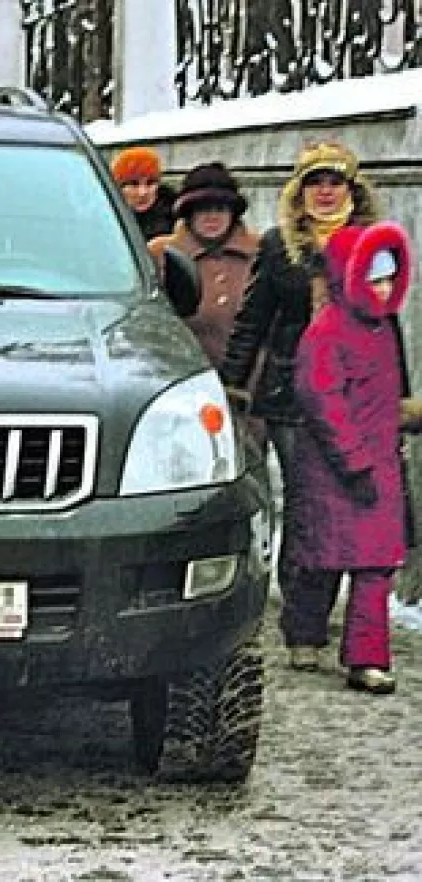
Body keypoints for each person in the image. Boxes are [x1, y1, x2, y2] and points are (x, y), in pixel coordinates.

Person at [220, 140, 382, 672]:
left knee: (357, 501)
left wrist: (397, 398)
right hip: (294, 395)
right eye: (316, 182)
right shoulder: (280, 247)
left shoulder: (372, 246)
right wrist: (232, 386)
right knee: (309, 501)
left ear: (352, 190)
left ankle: (346, 620)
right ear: (300, 191)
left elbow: (387, 325)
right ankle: (302, 620)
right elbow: (252, 321)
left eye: (336, 182)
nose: (326, 192)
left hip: (359, 395)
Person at [291, 221, 412, 694]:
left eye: (388, 280)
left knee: (377, 563)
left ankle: (367, 659)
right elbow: (323, 402)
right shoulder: (325, 333)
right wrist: (354, 459)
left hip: (376, 464)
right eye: (373, 280)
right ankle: (305, 633)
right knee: (321, 558)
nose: (382, 290)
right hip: (335, 467)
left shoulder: (382, 330)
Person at [148, 162, 260, 370]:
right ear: (188, 213)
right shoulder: (160, 254)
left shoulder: (261, 252)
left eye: (220, 208)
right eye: (202, 209)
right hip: (183, 379)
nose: (212, 217)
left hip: (252, 386)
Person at [111, 146, 176, 241]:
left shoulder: (177, 218)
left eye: (150, 183)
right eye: (133, 184)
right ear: (118, 188)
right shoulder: (107, 219)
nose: (143, 192)